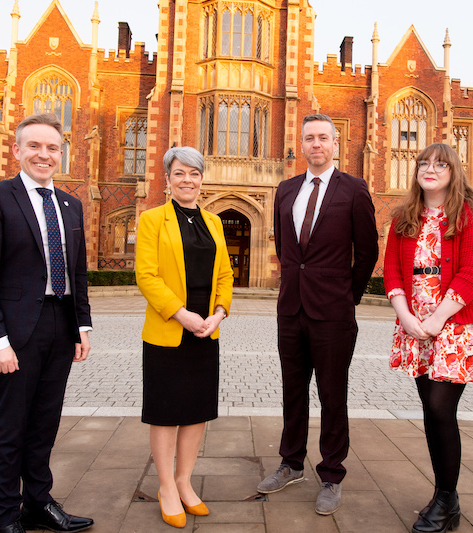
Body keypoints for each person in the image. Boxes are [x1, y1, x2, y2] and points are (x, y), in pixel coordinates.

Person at [0, 113, 94, 533]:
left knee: (44, 424)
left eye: (52, 147)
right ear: (17, 150)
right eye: (35, 146)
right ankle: (5, 519)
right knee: (9, 430)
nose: (44, 154)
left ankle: (37, 504)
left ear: (62, 152)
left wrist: (82, 327)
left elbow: (78, 272)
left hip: (60, 326)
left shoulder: (70, 203)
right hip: (16, 333)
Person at [257, 114, 379, 515]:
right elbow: (288, 249)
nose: (315, 144)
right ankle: (291, 463)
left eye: (323, 138)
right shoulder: (286, 189)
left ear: (335, 143)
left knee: (332, 393)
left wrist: (348, 296)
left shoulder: (354, 190)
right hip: (291, 308)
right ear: (303, 143)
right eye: (309, 138)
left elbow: (367, 252)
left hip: (333, 312)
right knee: (293, 392)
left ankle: (331, 473)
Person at [384, 143, 473, 533]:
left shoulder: (469, 216)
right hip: (415, 328)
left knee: (439, 409)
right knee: (432, 413)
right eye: (423, 163)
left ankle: (447, 499)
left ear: (454, 172)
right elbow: (392, 274)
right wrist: (406, 317)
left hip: (454, 328)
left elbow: (471, 273)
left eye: (440, 164)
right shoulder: (404, 217)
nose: (429, 169)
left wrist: (436, 319)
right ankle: (444, 498)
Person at [135, 146, 233, 529]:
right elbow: (147, 276)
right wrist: (182, 314)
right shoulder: (152, 220)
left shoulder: (214, 222)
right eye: (179, 173)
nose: (187, 180)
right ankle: (165, 487)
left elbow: (224, 275)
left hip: (206, 332)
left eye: (194, 173)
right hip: (168, 330)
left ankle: (184, 481)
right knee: (164, 412)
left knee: (196, 411)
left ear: (202, 179)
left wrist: (219, 313)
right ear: (168, 178)